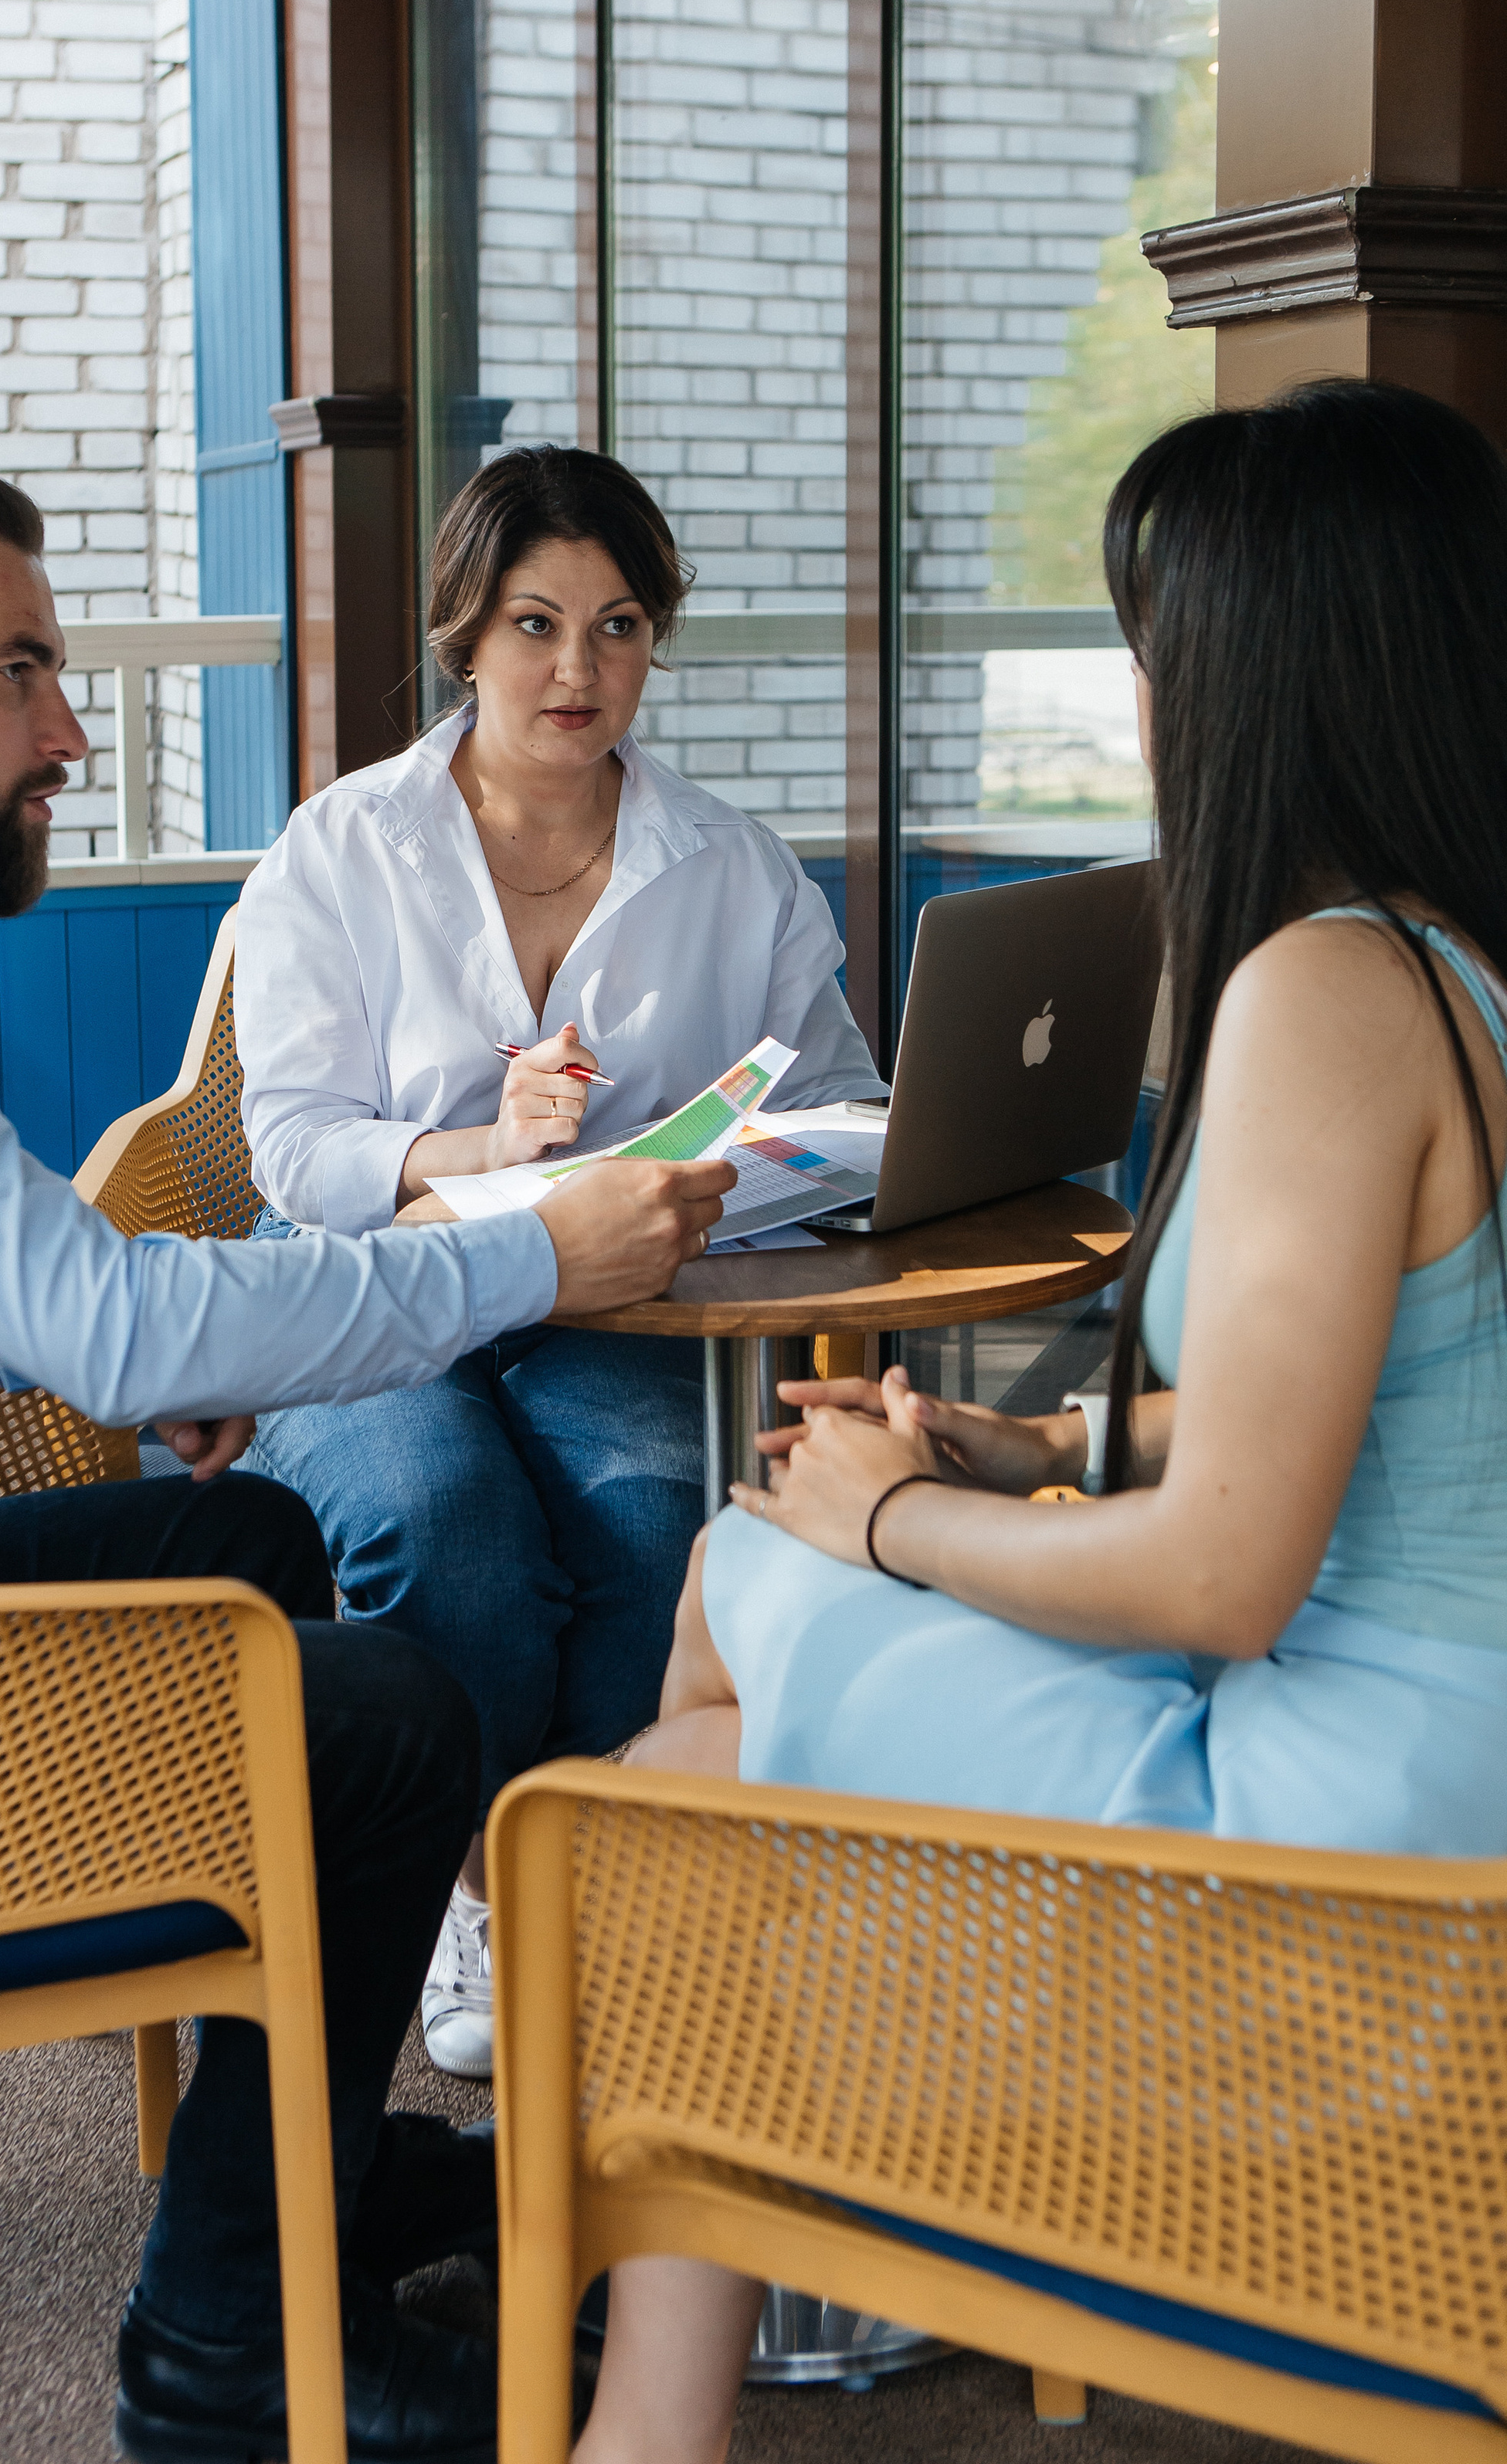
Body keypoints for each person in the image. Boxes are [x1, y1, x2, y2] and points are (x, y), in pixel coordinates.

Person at [0, 455, 732, 2464]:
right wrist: (534, 1256)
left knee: (245, 1531)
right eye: (20, 672)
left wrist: (85, 1340)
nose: (72, 733)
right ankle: (224, 2358)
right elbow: (98, 1319)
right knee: (390, 1721)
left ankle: (304, 2167)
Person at [571, 378, 1507, 2464]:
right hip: (1454, 1785)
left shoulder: (1328, 993)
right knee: (707, 1731)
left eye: (1152, 649)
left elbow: (1229, 1577)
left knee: (714, 1664)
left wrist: (892, 1516)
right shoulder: (1463, 977)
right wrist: (1048, 1453)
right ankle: (728, 2299)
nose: (1141, 701)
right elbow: (1411, 1424)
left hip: (1361, 1873)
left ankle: (695, 2349)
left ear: (1267, 677)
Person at [233, 445, 882, 2076]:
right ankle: (469, 1884)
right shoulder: (342, 846)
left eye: (617, 627)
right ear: (465, 633)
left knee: (651, 1519)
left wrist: (751, 1167)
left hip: (609, 1300)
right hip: (373, 1289)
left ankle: (584, 1876)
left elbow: (841, 1096)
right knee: (444, 1523)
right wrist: (480, 1152)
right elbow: (291, 1149)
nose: (576, 669)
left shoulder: (730, 865)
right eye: (534, 624)